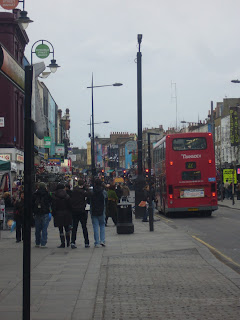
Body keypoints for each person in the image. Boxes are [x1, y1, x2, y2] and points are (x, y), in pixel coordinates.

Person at [70, 180, 90, 249]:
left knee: (74, 227)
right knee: (84, 227)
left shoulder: (73, 191)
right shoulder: (83, 192)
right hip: (82, 211)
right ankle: (86, 242)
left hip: (74, 211)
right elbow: (89, 195)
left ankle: (73, 242)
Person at [52, 183, 72, 248]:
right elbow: (70, 206)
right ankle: (68, 242)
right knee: (67, 229)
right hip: (66, 214)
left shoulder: (55, 196)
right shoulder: (67, 196)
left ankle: (62, 243)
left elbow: (54, 207)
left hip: (58, 214)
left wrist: (54, 214)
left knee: (60, 229)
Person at [32, 182, 52, 248]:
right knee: (44, 228)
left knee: (37, 228)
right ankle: (43, 243)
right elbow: (50, 202)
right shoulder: (47, 194)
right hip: (45, 212)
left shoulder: (35, 194)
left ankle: (37, 242)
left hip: (37, 212)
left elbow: (32, 203)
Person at [89, 179, 106, 248]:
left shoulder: (92, 192)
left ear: (95, 184)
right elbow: (106, 201)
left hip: (94, 210)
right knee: (102, 225)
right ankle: (102, 240)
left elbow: (89, 201)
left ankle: (97, 242)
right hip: (101, 210)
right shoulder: (104, 192)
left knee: (95, 226)